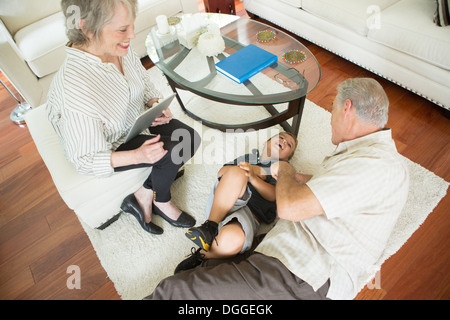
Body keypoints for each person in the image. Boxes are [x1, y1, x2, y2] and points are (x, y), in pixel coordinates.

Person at [145, 78, 410, 300]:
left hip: (300, 273)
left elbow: (290, 207)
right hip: (288, 262)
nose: (330, 118)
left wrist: (285, 172)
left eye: (333, 108)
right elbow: (330, 187)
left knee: (175, 291)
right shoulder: (372, 160)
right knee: (202, 272)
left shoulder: (373, 164)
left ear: (347, 108)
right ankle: (209, 250)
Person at [47, 0, 200, 235]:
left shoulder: (117, 48)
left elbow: (143, 81)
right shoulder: (74, 91)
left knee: (189, 137)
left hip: (132, 121)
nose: (132, 34)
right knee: (168, 152)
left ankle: (144, 192)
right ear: (86, 28)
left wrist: (154, 103)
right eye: (122, 29)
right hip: (109, 145)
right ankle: (161, 200)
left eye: (131, 25)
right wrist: (137, 155)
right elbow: (85, 159)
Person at [175, 132, 298, 273]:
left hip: (248, 215)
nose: (284, 141)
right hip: (222, 203)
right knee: (238, 173)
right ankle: (210, 227)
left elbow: (273, 195)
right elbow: (221, 172)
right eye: (281, 137)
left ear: (287, 158)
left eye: (289, 144)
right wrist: (245, 171)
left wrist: (253, 177)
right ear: (265, 142)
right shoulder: (249, 158)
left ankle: (203, 256)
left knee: (234, 238)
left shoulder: (281, 168)